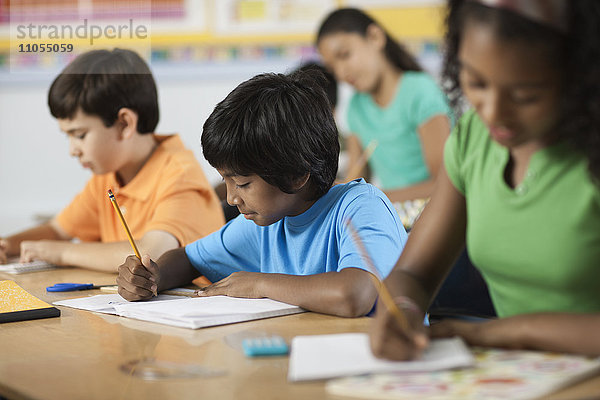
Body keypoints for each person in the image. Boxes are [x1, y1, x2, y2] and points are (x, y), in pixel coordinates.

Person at [370, 0, 600, 359]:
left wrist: (501, 332)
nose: (493, 113)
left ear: (581, 75)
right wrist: (403, 310)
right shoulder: (474, 139)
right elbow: (414, 272)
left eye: (526, 96)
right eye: (475, 82)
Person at [116, 71, 408, 317]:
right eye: (226, 181)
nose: (231, 198)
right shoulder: (266, 222)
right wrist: (152, 277)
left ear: (296, 175)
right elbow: (188, 258)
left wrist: (260, 284)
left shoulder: (361, 207)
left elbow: (354, 294)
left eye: (242, 184)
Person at [0, 49, 225, 272]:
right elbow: (57, 230)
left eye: (79, 135)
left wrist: (62, 252)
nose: (72, 150)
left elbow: (151, 254)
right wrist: (8, 245)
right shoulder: (109, 175)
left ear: (125, 123)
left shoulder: (179, 173)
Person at [317, 8, 452, 203]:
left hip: (435, 213)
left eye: (345, 55)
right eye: (332, 68)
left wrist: (375, 197)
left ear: (375, 37)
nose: (341, 72)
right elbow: (355, 179)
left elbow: (445, 184)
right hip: (396, 216)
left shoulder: (419, 91)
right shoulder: (356, 108)